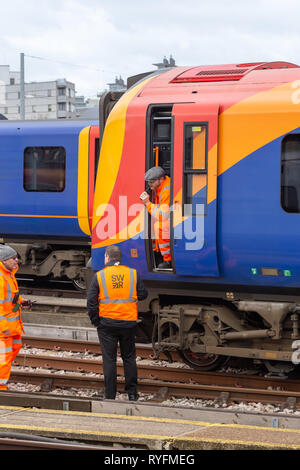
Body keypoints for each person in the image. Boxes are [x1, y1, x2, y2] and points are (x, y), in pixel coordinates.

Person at [87, 245, 148, 401]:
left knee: (109, 359)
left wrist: (96, 322)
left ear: (107, 257)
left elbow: (91, 302)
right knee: (129, 358)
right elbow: (143, 294)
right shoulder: (132, 274)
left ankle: (110, 395)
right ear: (120, 258)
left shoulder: (99, 276)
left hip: (107, 324)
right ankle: (132, 394)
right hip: (128, 323)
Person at [0, 245, 31, 390]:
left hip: (13, 325)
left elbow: (12, 297)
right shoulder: (1, 278)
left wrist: (21, 301)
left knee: (15, 348)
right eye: (13, 258)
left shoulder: (9, 274)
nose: (16, 260)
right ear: (4, 260)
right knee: (4, 359)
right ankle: (1, 388)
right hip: (4, 328)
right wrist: (4, 327)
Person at [140, 166, 171, 269]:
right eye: (148, 182)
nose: (149, 184)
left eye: (152, 182)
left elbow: (163, 216)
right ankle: (157, 252)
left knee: (160, 226)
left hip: (172, 219)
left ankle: (168, 260)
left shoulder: (166, 190)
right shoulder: (159, 186)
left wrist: (147, 203)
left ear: (161, 179)